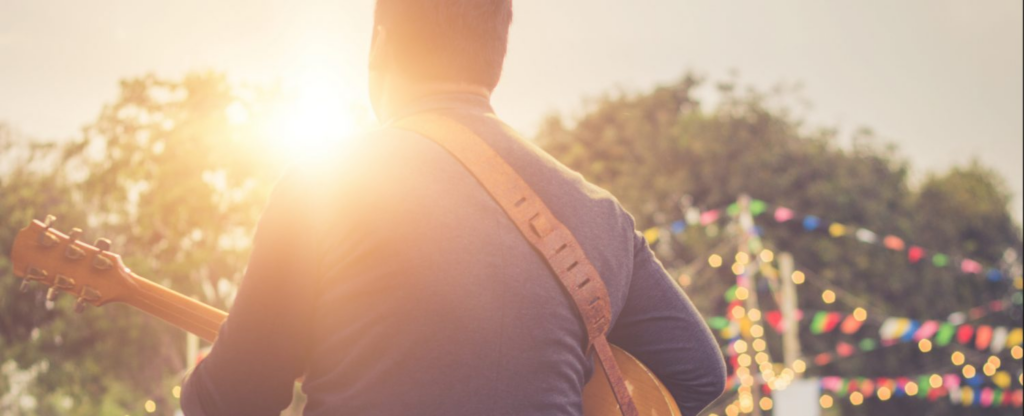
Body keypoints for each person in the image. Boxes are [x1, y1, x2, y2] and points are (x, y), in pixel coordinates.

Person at [180, 1, 726, 415]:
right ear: (497, 56)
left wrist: (202, 383)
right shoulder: (598, 213)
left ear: (380, 42)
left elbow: (237, 398)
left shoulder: (325, 180)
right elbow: (698, 374)